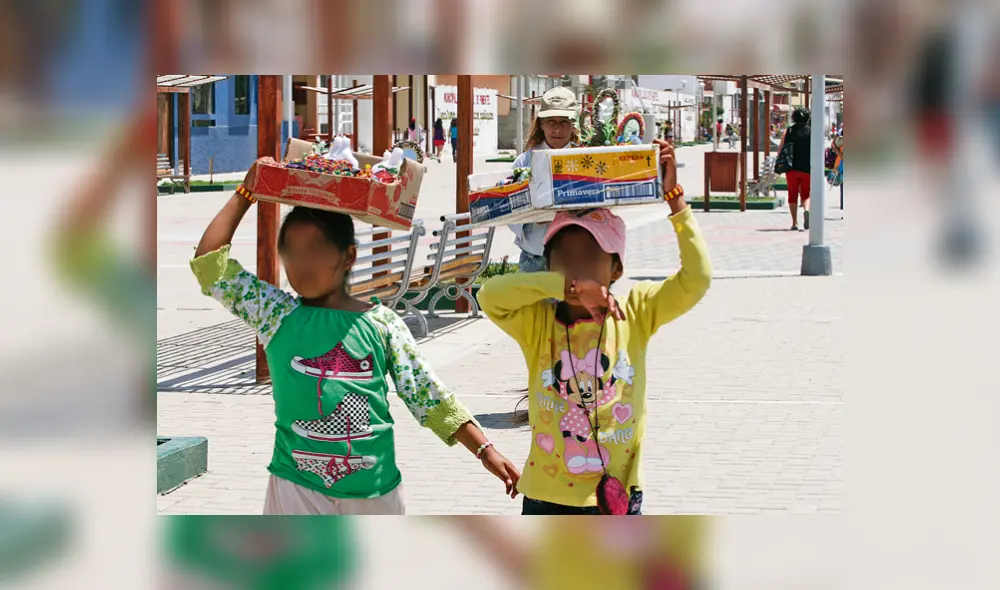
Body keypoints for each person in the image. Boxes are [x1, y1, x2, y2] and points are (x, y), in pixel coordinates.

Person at [190, 168, 521, 514]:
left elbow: (430, 398)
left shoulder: (382, 325)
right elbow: (209, 265)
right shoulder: (273, 313)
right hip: (295, 488)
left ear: (348, 256)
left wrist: (485, 450)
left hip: (374, 492)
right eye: (291, 250)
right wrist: (247, 192)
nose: (300, 263)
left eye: (315, 250)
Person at [478, 140, 712, 515]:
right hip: (546, 499)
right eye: (565, 258)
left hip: (614, 499)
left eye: (591, 257)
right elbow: (489, 295)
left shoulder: (636, 313)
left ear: (616, 269)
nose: (577, 266)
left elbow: (697, 279)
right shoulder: (537, 323)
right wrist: (566, 288)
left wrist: (674, 198)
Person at [509, 86, 581, 274]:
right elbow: (510, 208)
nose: (557, 128)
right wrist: (532, 218)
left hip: (574, 259)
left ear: (573, 123)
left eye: (564, 121)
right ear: (541, 124)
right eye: (551, 121)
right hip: (534, 258)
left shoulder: (585, 160)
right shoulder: (524, 162)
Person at [777, 107, 813, 231]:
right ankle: (806, 210)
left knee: (792, 195)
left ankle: (794, 223)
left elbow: (780, 149)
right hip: (807, 168)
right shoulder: (812, 132)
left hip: (791, 168)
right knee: (806, 194)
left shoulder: (789, 131)